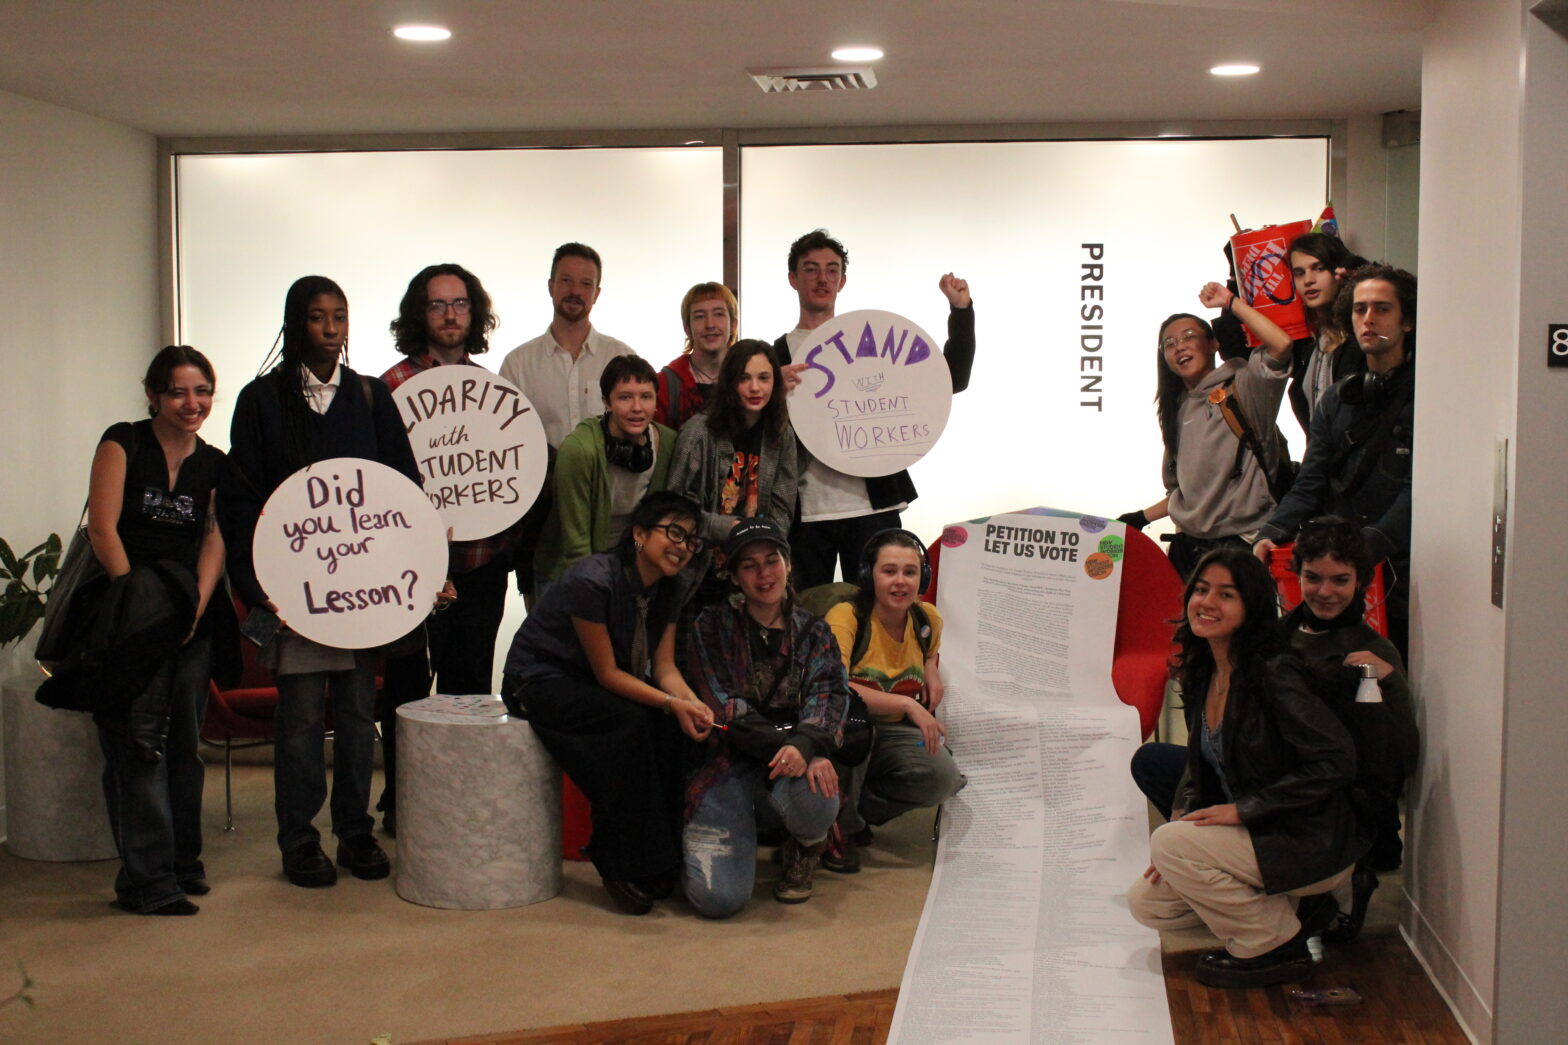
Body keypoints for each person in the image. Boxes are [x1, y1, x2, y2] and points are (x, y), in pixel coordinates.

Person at [220, 275, 421, 888]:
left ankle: (355, 832)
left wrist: (411, 577)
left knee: (361, 715)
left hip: (362, 594)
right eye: (316, 317)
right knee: (302, 718)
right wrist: (258, 591)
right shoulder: (260, 401)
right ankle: (300, 840)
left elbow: (402, 491)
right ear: (294, 323)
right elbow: (239, 501)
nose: (330, 328)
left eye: (339, 316)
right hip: (297, 594)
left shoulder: (367, 398)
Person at [1127, 549, 1371, 989]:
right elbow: (1208, 766)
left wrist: (1244, 810)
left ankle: (1274, 946)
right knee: (1149, 904)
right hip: (1267, 835)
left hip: (1307, 836)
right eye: (1201, 590)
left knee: (1170, 845)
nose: (1207, 602)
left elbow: (1336, 760)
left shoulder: (1274, 673)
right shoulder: (1205, 671)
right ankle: (1297, 912)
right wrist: (1188, 811)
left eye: (1226, 594)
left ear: (1251, 606)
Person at [500, 491, 714, 915]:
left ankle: (659, 857)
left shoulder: (674, 587)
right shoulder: (592, 580)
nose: (683, 547)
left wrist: (693, 704)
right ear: (638, 533)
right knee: (628, 726)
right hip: (540, 679)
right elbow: (608, 675)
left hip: (594, 681)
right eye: (673, 532)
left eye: (692, 540)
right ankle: (617, 861)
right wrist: (671, 703)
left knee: (673, 731)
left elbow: (666, 667)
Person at [81, 346, 227, 915]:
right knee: (136, 744)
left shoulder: (213, 462)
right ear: (152, 395)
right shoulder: (124, 441)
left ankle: (181, 862)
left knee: (184, 747)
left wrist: (195, 606)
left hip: (189, 614)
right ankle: (147, 881)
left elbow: (214, 536)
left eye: (202, 391)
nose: (191, 404)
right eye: (177, 392)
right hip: (127, 613)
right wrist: (141, 606)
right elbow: (102, 528)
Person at [377, 262, 506, 836]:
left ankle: (460, 801)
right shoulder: (390, 387)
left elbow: (508, 471)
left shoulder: (492, 387)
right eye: (437, 305)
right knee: (405, 687)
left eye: (459, 304)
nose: (450, 315)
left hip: (480, 562)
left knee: (470, 685)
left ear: (473, 314)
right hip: (409, 569)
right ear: (419, 314)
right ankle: (403, 803)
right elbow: (377, 480)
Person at [771, 229, 976, 588]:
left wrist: (961, 312)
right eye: (811, 269)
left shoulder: (871, 339)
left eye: (832, 270)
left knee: (878, 623)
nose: (823, 278)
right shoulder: (776, 357)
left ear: (843, 280)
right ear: (793, 278)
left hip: (874, 509)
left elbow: (952, 380)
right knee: (802, 620)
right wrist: (775, 396)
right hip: (805, 514)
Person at [684, 518, 850, 916]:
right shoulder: (710, 626)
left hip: (793, 764)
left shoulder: (815, 631)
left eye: (772, 560)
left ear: (788, 564)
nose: (764, 575)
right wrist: (794, 746)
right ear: (734, 576)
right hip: (727, 764)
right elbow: (725, 707)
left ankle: (805, 846)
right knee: (718, 901)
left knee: (820, 790)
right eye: (749, 565)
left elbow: (829, 693)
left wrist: (809, 745)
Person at [1254, 265, 1417, 657]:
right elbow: (1311, 480)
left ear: (1407, 320)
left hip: (1404, 571)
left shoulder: (1427, 395)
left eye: (1382, 309)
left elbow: (1424, 489)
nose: (1369, 319)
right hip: (1342, 570)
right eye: (1360, 309)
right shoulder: (1337, 399)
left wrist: (1373, 542)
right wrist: (1272, 530)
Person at [1280, 515, 1418, 940]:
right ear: (1298, 575)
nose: (1324, 591)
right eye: (1313, 577)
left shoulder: (1372, 651)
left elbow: (1401, 754)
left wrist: (1387, 681)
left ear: (1360, 581)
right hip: (1269, 771)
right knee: (1156, 764)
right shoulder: (1274, 636)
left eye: (1339, 580)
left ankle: (1339, 882)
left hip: (1323, 793)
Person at [1117, 283, 1294, 578]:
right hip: (1188, 551)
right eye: (1169, 344)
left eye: (1189, 337)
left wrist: (1230, 302)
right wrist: (1140, 518)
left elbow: (1281, 345)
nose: (1180, 347)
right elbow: (1186, 492)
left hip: (1241, 549)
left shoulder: (1244, 387)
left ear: (1213, 343)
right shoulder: (1177, 409)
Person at [819, 529, 964, 873]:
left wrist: (931, 670)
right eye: (889, 571)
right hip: (846, 730)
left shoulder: (927, 619)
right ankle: (836, 828)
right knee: (855, 732)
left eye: (910, 572)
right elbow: (836, 688)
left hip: (890, 730)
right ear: (870, 575)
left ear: (922, 577)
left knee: (942, 777)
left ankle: (851, 812)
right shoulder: (846, 616)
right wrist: (908, 705)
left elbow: (929, 654)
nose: (901, 582)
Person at [499, 243, 636, 601]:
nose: (575, 291)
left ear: (597, 293)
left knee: (612, 644)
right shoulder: (518, 364)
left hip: (613, 528)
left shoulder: (621, 357)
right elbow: (506, 451)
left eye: (586, 284)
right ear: (550, 286)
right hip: (543, 530)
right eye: (567, 280)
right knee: (548, 645)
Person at [667, 339, 799, 615]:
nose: (755, 388)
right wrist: (729, 528)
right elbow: (676, 512)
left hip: (756, 573)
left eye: (764, 378)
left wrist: (759, 545)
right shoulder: (698, 433)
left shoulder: (781, 433)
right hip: (699, 571)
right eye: (744, 378)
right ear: (729, 383)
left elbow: (783, 508)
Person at [532, 354, 677, 594]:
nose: (637, 408)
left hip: (626, 568)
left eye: (646, 397)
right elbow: (576, 546)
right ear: (606, 403)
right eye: (625, 397)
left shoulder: (668, 443)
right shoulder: (579, 450)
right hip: (566, 571)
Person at [1283, 232, 1366, 431]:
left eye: (1319, 269)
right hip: (1322, 457)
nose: (1308, 280)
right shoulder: (1311, 346)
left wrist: (1359, 272)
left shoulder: (1362, 335)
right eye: (1299, 273)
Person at [655, 282, 738, 430]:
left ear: (733, 324)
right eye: (699, 316)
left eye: (719, 314)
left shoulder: (748, 379)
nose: (710, 324)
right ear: (687, 328)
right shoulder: (665, 385)